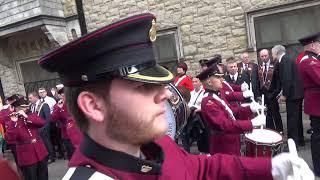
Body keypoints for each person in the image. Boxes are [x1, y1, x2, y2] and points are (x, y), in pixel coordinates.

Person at [39, 13, 312, 180]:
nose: (164, 95)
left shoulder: (158, 146)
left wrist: (271, 169)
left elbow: (202, 169)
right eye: (142, 87)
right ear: (93, 105)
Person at [198, 63, 265, 156]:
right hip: (224, 146)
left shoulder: (216, 94)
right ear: (209, 82)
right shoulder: (209, 102)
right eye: (218, 78)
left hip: (231, 140)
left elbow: (230, 111)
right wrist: (251, 123)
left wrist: (249, 109)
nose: (222, 79)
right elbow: (225, 125)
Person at [272, 45, 305, 146]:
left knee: (292, 120)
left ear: (276, 53)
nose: (272, 55)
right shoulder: (287, 59)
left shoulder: (285, 61)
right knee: (297, 119)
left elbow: (287, 79)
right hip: (296, 93)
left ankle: (293, 144)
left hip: (292, 95)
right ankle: (300, 140)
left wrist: (284, 95)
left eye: (272, 53)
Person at [297, 32, 320, 176]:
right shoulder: (308, 61)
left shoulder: (313, 59)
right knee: (318, 136)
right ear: (312, 45)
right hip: (317, 104)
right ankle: (318, 167)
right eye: (318, 44)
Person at [9, 97, 48, 180]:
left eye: (26, 106)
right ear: (17, 108)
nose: (27, 108)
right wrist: (14, 123)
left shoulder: (31, 115)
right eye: (24, 107)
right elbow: (10, 138)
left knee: (43, 175)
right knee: (31, 177)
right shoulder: (12, 120)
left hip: (40, 151)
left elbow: (42, 122)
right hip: (27, 155)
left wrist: (26, 116)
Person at [258, 49, 283, 132]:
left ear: (269, 55)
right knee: (268, 114)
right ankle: (271, 131)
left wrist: (276, 92)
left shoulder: (275, 64)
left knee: (276, 113)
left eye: (265, 56)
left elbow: (278, 80)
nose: (264, 58)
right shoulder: (259, 66)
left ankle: (280, 131)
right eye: (262, 56)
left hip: (273, 93)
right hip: (264, 95)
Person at [28, 91, 55, 163]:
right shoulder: (31, 106)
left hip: (44, 128)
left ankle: (52, 157)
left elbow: (48, 118)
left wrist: (45, 128)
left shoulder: (44, 105)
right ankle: (45, 157)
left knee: (47, 142)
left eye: (30, 98)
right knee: (41, 144)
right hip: (37, 129)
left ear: (36, 97)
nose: (29, 100)